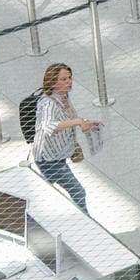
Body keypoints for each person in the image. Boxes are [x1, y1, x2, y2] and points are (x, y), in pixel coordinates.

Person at [30, 63, 97, 212]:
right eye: (64, 79)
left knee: (45, 188)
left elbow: (68, 118)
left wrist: (84, 123)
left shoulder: (64, 96)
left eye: (69, 78)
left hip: (58, 154)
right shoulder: (48, 104)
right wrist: (78, 122)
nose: (69, 82)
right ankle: (86, 222)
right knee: (78, 191)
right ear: (52, 82)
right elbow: (47, 126)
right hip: (49, 159)